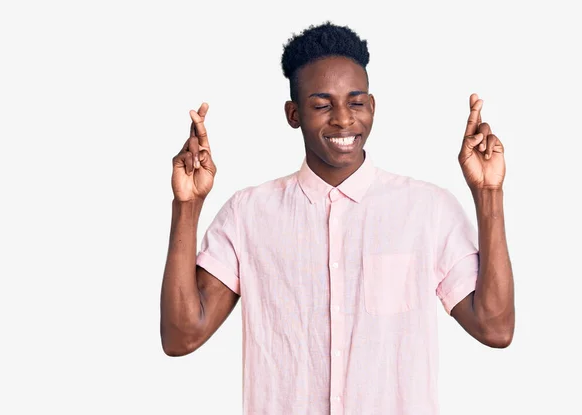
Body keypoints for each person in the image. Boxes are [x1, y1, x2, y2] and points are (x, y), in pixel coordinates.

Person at [160, 21, 515, 414]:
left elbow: (495, 328)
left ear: (373, 106)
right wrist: (187, 206)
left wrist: (488, 194)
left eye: (357, 102)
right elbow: (181, 338)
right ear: (293, 114)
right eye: (322, 104)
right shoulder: (248, 216)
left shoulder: (427, 211)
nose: (344, 119)